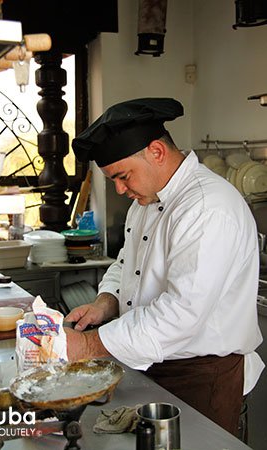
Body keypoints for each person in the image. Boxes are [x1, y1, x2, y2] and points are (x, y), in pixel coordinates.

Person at [65, 97, 265, 437]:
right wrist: (106, 302)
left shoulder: (206, 207)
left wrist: (88, 347)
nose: (119, 188)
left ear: (156, 152)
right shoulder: (146, 200)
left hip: (201, 377)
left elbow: (181, 314)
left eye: (123, 176)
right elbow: (126, 262)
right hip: (153, 362)